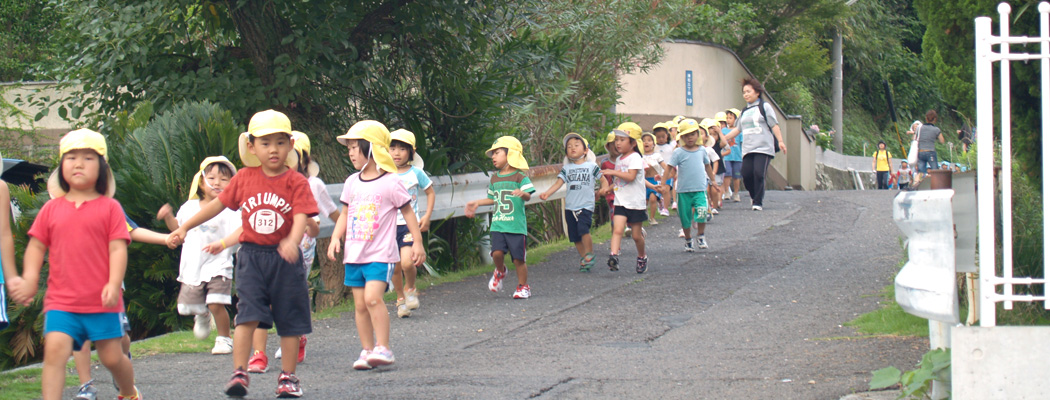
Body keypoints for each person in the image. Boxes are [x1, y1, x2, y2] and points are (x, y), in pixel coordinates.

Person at [167, 110, 317, 398]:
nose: (273, 149)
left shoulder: (296, 181)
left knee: (288, 319)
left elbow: (301, 215)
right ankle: (239, 372)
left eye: (280, 142)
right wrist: (185, 226)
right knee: (247, 315)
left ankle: (288, 377)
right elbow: (217, 205)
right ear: (251, 147)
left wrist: (292, 241)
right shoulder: (245, 178)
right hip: (251, 258)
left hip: (285, 260)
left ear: (290, 145)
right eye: (265, 143)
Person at [10, 129, 141, 400]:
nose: (78, 163)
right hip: (61, 301)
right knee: (55, 352)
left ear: (103, 167)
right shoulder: (51, 209)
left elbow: (118, 248)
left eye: (87, 158)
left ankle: (128, 392)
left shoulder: (110, 208)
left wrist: (114, 283)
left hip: (102, 301)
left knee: (112, 358)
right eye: (70, 157)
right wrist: (30, 278)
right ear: (61, 167)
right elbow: (36, 246)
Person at [326, 120, 425, 370]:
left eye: (354, 147)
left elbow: (408, 212)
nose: (350, 153)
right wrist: (336, 237)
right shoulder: (351, 182)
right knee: (359, 305)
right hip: (354, 255)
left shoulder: (391, 182)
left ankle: (384, 347)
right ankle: (367, 350)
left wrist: (417, 241)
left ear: (371, 149)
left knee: (372, 299)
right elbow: (345, 214)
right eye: (348, 148)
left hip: (380, 254)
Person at [72, 213, 170, 400]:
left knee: (119, 336)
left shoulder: (105, 205)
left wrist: (165, 238)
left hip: (107, 278)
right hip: (75, 283)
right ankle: (86, 386)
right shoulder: (58, 209)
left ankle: (123, 363)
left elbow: (132, 230)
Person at [158, 156, 240, 357]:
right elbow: (178, 228)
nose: (217, 183)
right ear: (201, 183)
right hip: (193, 265)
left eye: (224, 179)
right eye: (211, 178)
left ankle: (224, 338)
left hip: (219, 263)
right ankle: (201, 314)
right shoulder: (189, 207)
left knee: (216, 302)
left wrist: (223, 245)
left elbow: (239, 232)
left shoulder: (232, 209)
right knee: (187, 307)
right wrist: (168, 218)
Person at [465, 136, 536, 297]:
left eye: (497, 153)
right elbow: (493, 198)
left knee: (519, 259)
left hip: (516, 226)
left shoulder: (520, 177)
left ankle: (523, 286)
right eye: (493, 154)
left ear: (510, 154)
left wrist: (522, 193)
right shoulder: (495, 178)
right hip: (498, 224)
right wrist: (477, 203)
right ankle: (500, 270)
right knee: (496, 253)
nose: (494, 157)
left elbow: (528, 196)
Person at [539, 133, 609, 272]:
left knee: (583, 229)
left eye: (576, 145)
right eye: (569, 146)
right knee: (575, 236)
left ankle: (589, 254)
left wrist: (604, 187)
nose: (572, 148)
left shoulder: (591, 166)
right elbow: (559, 183)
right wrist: (547, 193)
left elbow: (603, 179)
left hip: (586, 205)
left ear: (585, 150)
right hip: (570, 206)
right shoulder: (567, 169)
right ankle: (585, 259)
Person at [388, 128, 435, 318]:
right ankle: (400, 300)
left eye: (402, 149)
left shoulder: (416, 173)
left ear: (411, 152)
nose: (397, 153)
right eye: (393, 148)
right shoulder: (384, 173)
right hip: (388, 227)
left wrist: (427, 215)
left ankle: (411, 288)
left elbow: (430, 192)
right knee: (394, 265)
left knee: (407, 263)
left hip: (409, 224)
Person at [724, 78, 788, 211]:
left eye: (748, 91)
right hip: (748, 148)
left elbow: (774, 125)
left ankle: (758, 202)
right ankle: (754, 196)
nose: (746, 94)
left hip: (764, 147)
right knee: (746, 175)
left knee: (759, 173)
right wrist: (723, 138)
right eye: (744, 92)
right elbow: (737, 129)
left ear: (757, 92)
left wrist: (780, 141)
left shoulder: (764, 107)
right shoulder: (744, 111)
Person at [663, 119, 716, 252]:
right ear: (681, 137)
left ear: (697, 134)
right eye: (686, 135)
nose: (690, 138)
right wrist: (663, 183)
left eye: (692, 134)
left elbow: (707, 166)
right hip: (683, 191)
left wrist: (713, 181)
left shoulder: (702, 151)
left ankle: (701, 235)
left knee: (702, 212)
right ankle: (688, 239)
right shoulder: (678, 152)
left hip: (700, 189)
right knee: (685, 218)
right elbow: (669, 168)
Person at [602, 128, 649, 274]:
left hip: (635, 202)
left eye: (622, 140)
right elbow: (619, 180)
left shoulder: (635, 157)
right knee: (617, 230)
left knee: (636, 235)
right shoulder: (618, 159)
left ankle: (642, 256)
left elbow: (630, 177)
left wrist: (612, 172)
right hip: (620, 201)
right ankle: (613, 256)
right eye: (616, 140)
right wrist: (609, 188)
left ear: (633, 143)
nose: (618, 143)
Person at [641, 132, 669, 224]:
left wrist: (665, 175)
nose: (646, 143)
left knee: (653, 198)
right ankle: (643, 216)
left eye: (649, 140)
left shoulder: (657, 156)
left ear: (653, 144)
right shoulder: (640, 157)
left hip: (654, 180)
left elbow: (664, 166)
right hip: (643, 181)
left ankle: (652, 218)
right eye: (643, 141)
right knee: (644, 200)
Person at [909, 110, 944, 180]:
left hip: (920, 152)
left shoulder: (919, 127)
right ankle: (935, 187)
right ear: (935, 119)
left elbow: (914, 138)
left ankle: (915, 186)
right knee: (935, 171)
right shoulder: (936, 129)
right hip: (930, 152)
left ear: (926, 118)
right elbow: (942, 141)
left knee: (920, 172)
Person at [703, 119, 726, 213]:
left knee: (714, 189)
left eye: (715, 134)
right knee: (706, 190)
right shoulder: (701, 148)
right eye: (710, 134)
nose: (713, 137)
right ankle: (708, 207)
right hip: (704, 171)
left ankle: (715, 206)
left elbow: (724, 143)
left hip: (715, 169)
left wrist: (720, 132)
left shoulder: (716, 146)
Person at [653, 122, 676, 212]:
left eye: (663, 136)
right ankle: (660, 204)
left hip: (668, 172)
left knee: (666, 189)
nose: (661, 139)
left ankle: (666, 208)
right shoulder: (654, 147)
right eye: (658, 137)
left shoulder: (671, 146)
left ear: (667, 136)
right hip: (656, 173)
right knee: (658, 190)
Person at [722, 108, 743, 203]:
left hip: (738, 157)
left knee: (737, 175)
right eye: (727, 118)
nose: (728, 120)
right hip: (726, 156)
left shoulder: (739, 131)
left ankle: (736, 193)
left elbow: (743, 143)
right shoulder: (723, 131)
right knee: (727, 174)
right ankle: (726, 191)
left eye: (730, 118)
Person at [600, 132, 618, 235]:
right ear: (608, 146)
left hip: (626, 194)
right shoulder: (605, 163)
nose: (617, 145)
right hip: (611, 195)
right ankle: (614, 239)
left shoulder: (626, 160)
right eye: (613, 143)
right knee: (613, 214)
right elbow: (603, 179)